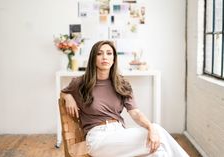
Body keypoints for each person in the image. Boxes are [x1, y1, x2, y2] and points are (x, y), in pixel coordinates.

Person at [61, 40, 189, 157]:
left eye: (109, 53)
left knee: (157, 151)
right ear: (93, 58)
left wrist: (150, 127)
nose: (105, 57)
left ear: (114, 59)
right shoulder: (81, 82)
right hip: (97, 138)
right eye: (99, 54)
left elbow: (136, 113)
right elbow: (62, 93)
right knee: (158, 133)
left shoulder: (122, 84)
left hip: (119, 132)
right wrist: (68, 97)